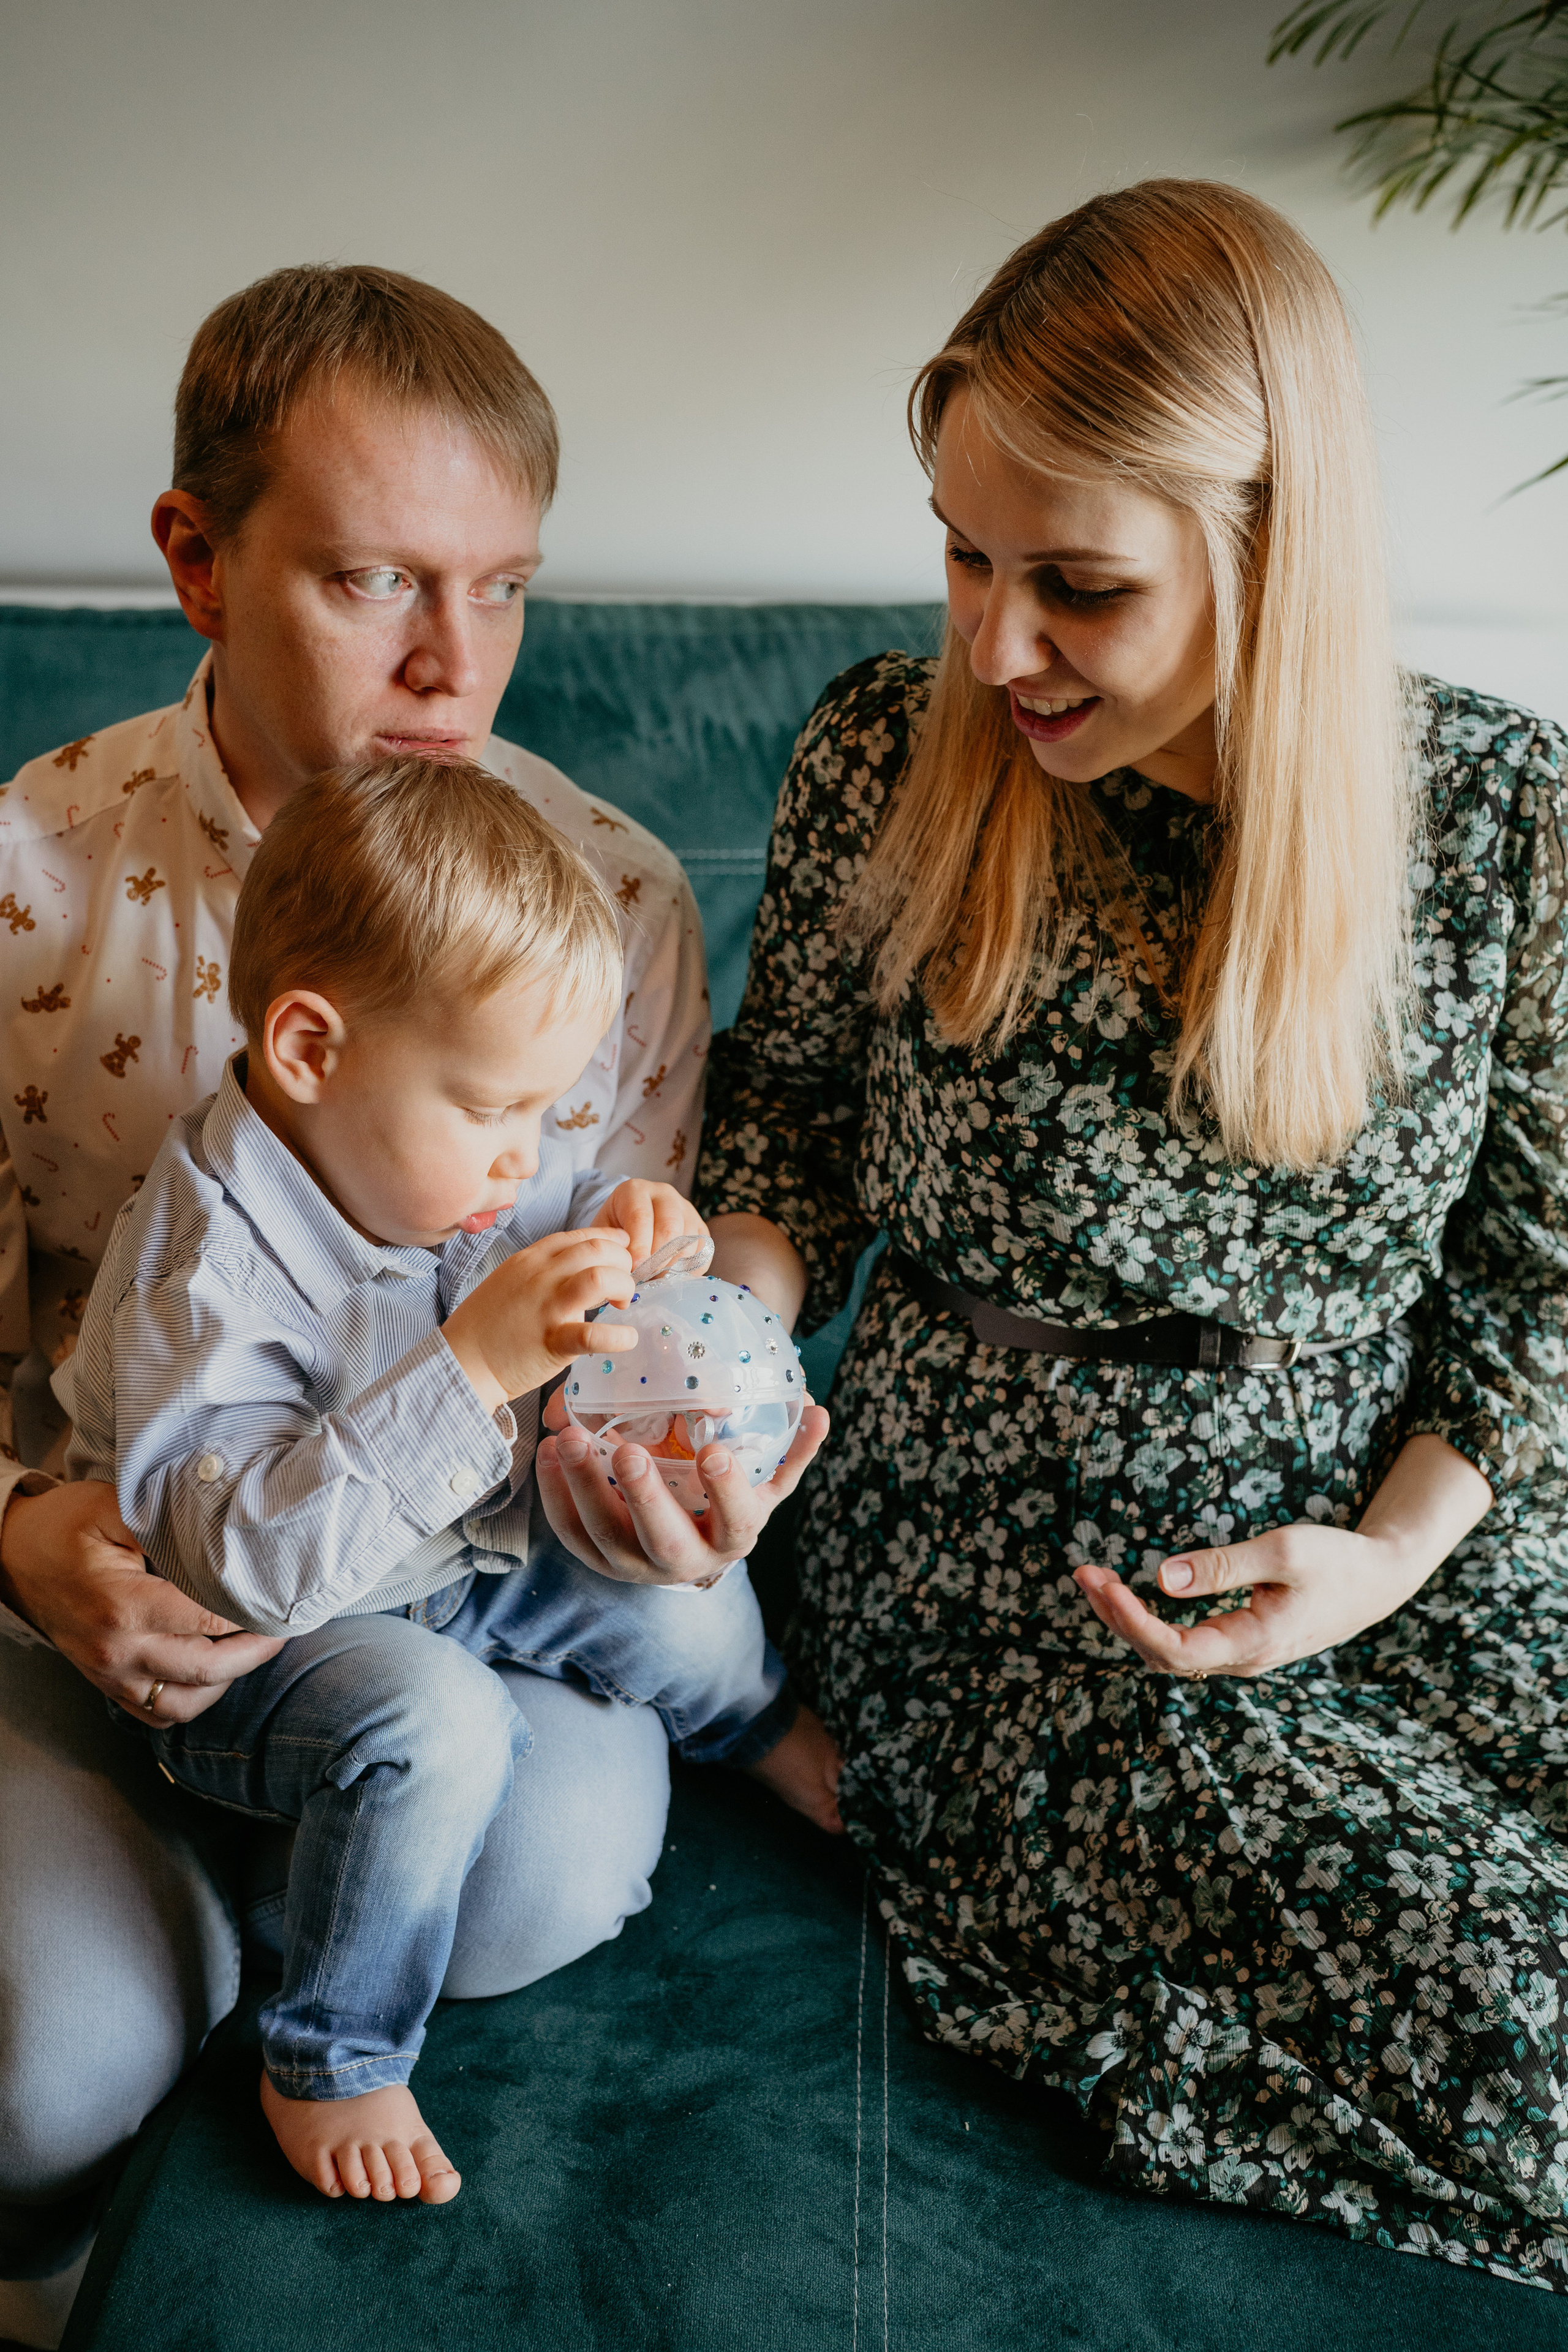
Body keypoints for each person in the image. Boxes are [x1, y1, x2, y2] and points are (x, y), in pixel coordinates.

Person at [685, 180, 1568, 2288]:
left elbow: (1539, 1278)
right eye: (963, 554)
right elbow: (786, 1136)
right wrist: (714, 1366)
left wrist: (1391, 1557)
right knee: (1537, 2046)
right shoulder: (888, 754)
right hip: (1026, 1589)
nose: (995, 645)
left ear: (1275, 550)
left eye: (1077, 584)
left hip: (1399, 1533)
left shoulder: (1506, 822)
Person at [0, 262, 819, 2319]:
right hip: (104, 1590)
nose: (458, 668)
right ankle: (180, 1960)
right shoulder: (23, 890)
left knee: (543, 1872)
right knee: (41, 2075)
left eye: (505, 587)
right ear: (198, 559)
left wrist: (684, 1445)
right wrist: (23, 1541)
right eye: (375, 581)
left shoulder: (611, 897)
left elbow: (642, 1304)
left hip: (460, 1579)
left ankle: (279, 1930)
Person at [66, 755, 831, 2205]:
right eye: (493, 1112)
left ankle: (759, 1724)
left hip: (454, 1557)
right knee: (438, 1728)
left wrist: (630, 1221)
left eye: (547, 1114)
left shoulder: (443, 1146)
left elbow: (548, 1204)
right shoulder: (201, 1270)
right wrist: (470, 1368)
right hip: (260, 1652)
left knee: (670, 1604)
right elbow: (249, 1571)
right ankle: (333, 2054)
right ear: (310, 1049)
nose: (519, 1156)